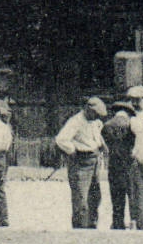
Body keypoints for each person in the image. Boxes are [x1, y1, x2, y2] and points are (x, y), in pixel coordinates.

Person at [55, 97, 107, 229]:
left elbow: (96, 135)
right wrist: (72, 150)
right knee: (81, 197)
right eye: (95, 114)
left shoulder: (95, 122)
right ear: (88, 109)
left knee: (95, 196)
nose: (96, 117)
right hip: (81, 161)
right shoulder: (75, 121)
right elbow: (61, 139)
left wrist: (101, 145)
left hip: (94, 159)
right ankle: (80, 228)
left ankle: (92, 224)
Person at [103, 99, 137, 229]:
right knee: (132, 192)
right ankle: (134, 221)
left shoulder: (107, 125)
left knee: (116, 194)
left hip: (113, 163)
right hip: (129, 163)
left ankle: (117, 222)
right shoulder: (130, 125)